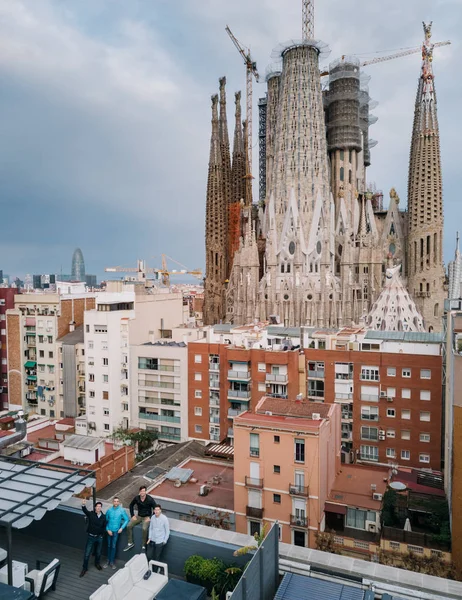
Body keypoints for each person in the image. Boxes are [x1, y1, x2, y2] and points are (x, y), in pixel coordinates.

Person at [124, 485, 157, 551]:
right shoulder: (137, 498)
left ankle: (143, 545)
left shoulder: (150, 499)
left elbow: (155, 508)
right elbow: (131, 505)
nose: (142, 492)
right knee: (129, 526)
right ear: (139, 492)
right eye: (141, 491)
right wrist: (132, 515)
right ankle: (130, 543)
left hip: (146, 517)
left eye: (144, 491)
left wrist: (150, 517)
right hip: (139, 516)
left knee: (144, 529)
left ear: (145, 492)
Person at [80, 498, 106, 578]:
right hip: (91, 537)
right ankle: (84, 568)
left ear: (101, 508)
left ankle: (97, 564)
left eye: (100, 506)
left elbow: (104, 527)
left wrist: (101, 535)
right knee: (87, 554)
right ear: (95, 507)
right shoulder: (91, 514)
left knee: (98, 552)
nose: (98, 508)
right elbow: (85, 511)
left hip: (99, 537)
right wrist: (83, 504)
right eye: (97, 506)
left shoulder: (103, 517)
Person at [104, 496, 129, 569]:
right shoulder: (109, 510)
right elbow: (106, 521)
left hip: (116, 531)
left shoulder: (122, 510)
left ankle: (111, 562)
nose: (116, 502)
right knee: (109, 545)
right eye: (115, 501)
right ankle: (107, 561)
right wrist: (107, 529)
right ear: (113, 502)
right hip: (109, 531)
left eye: (117, 501)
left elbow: (127, 519)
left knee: (113, 546)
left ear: (119, 502)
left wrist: (121, 528)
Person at [146, 505, 169, 573]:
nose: (156, 511)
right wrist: (149, 538)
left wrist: (164, 541)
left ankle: (156, 571)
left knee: (157, 557)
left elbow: (167, 531)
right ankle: (150, 569)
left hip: (160, 541)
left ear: (160, 510)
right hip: (152, 540)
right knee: (149, 555)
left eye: (157, 510)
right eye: (155, 510)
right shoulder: (152, 517)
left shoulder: (164, 519)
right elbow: (151, 528)